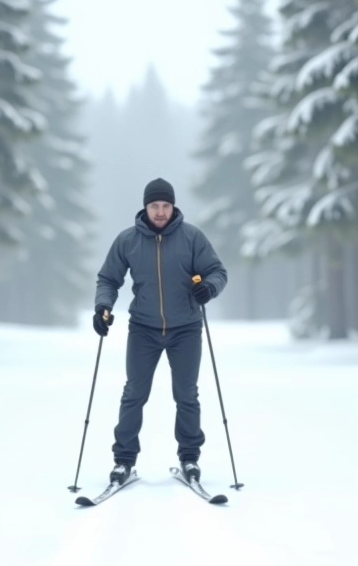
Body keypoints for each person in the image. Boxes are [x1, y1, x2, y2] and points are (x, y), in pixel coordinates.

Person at [93, 177, 228, 485]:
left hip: (186, 329)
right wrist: (103, 307)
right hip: (143, 328)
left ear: (173, 206)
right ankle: (123, 461)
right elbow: (108, 279)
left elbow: (217, 271)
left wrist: (209, 288)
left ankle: (189, 459)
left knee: (186, 395)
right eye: (155, 205)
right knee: (134, 394)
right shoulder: (127, 240)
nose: (160, 212)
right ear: (145, 207)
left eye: (166, 205)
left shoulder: (192, 237)